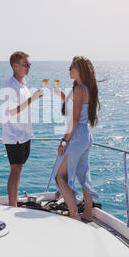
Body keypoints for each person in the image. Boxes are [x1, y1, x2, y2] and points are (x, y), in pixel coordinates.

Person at [52, 56, 100, 221]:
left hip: (77, 136)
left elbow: (75, 118)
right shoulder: (85, 88)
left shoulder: (80, 89)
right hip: (85, 136)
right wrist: (62, 96)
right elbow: (77, 108)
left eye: (71, 67)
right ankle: (87, 212)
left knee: (60, 177)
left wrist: (64, 140)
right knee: (82, 176)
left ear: (79, 70)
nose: (69, 69)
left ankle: (74, 215)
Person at [2, 51, 44, 207]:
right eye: (26, 64)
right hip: (14, 135)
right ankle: (12, 205)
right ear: (15, 66)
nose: (29, 67)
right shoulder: (9, 86)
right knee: (15, 169)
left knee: (19, 168)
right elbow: (11, 111)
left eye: (29, 64)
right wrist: (32, 98)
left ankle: (14, 201)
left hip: (24, 134)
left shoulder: (23, 85)